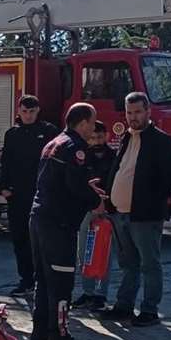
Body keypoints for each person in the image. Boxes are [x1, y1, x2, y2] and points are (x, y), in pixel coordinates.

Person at [29, 102, 103, 340]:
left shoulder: (53, 143)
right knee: (61, 282)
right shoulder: (75, 148)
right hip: (59, 224)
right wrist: (96, 201)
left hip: (39, 218)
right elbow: (75, 186)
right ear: (82, 122)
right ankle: (59, 336)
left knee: (42, 278)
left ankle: (40, 330)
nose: (93, 128)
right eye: (92, 123)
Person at [102, 92, 171, 327]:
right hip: (119, 213)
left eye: (137, 112)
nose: (133, 117)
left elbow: (168, 179)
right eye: (129, 112)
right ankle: (124, 306)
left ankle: (149, 309)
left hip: (144, 216)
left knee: (149, 264)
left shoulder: (161, 140)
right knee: (127, 264)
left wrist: (149, 202)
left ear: (148, 112)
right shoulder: (125, 138)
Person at [0, 95, 59, 296]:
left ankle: (43, 281)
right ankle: (25, 280)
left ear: (38, 111)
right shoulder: (12, 134)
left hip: (42, 195)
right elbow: (5, 161)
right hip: (17, 196)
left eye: (32, 111)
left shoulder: (49, 131)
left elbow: (56, 162)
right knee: (20, 239)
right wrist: (4, 187)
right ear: (18, 111)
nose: (28, 115)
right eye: (24, 111)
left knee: (42, 240)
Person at [74, 120, 117, 311]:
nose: (97, 141)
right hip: (85, 210)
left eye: (100, 137)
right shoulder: (82, 157)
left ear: (106, 136)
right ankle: (87, 292)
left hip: (107, 211)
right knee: (85, 252)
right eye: (94, 137)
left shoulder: (115, 157)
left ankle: (101, 294)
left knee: (104, 254)